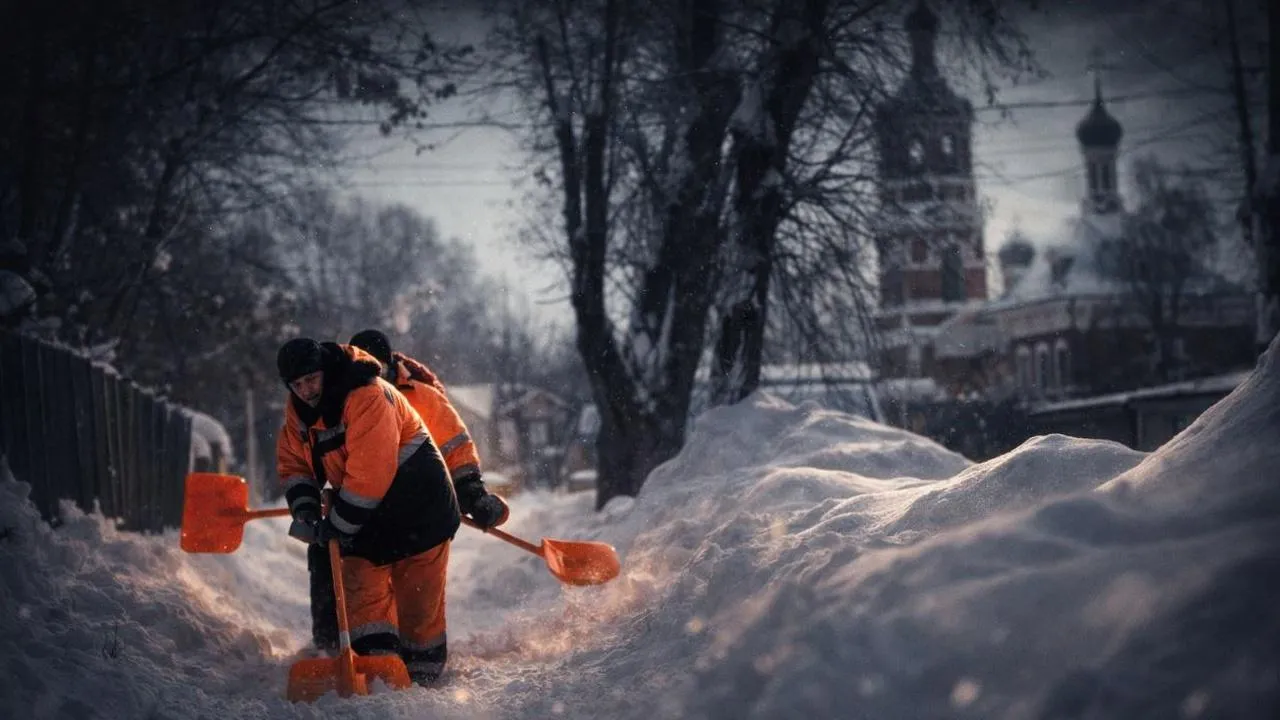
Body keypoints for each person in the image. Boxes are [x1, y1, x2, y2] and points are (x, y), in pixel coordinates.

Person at [274, 338, 506, 685]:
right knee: (360, 594)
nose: (306, 390)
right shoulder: (300, 413)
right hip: (365, 515)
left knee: (419, 608)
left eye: (311, 380)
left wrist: (472, 492)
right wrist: (306, 508)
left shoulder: (372, 396)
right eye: (297, 384)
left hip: (419, 509)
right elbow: (295, 463)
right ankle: (374, 669)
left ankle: (422, 679)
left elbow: (373, 472)